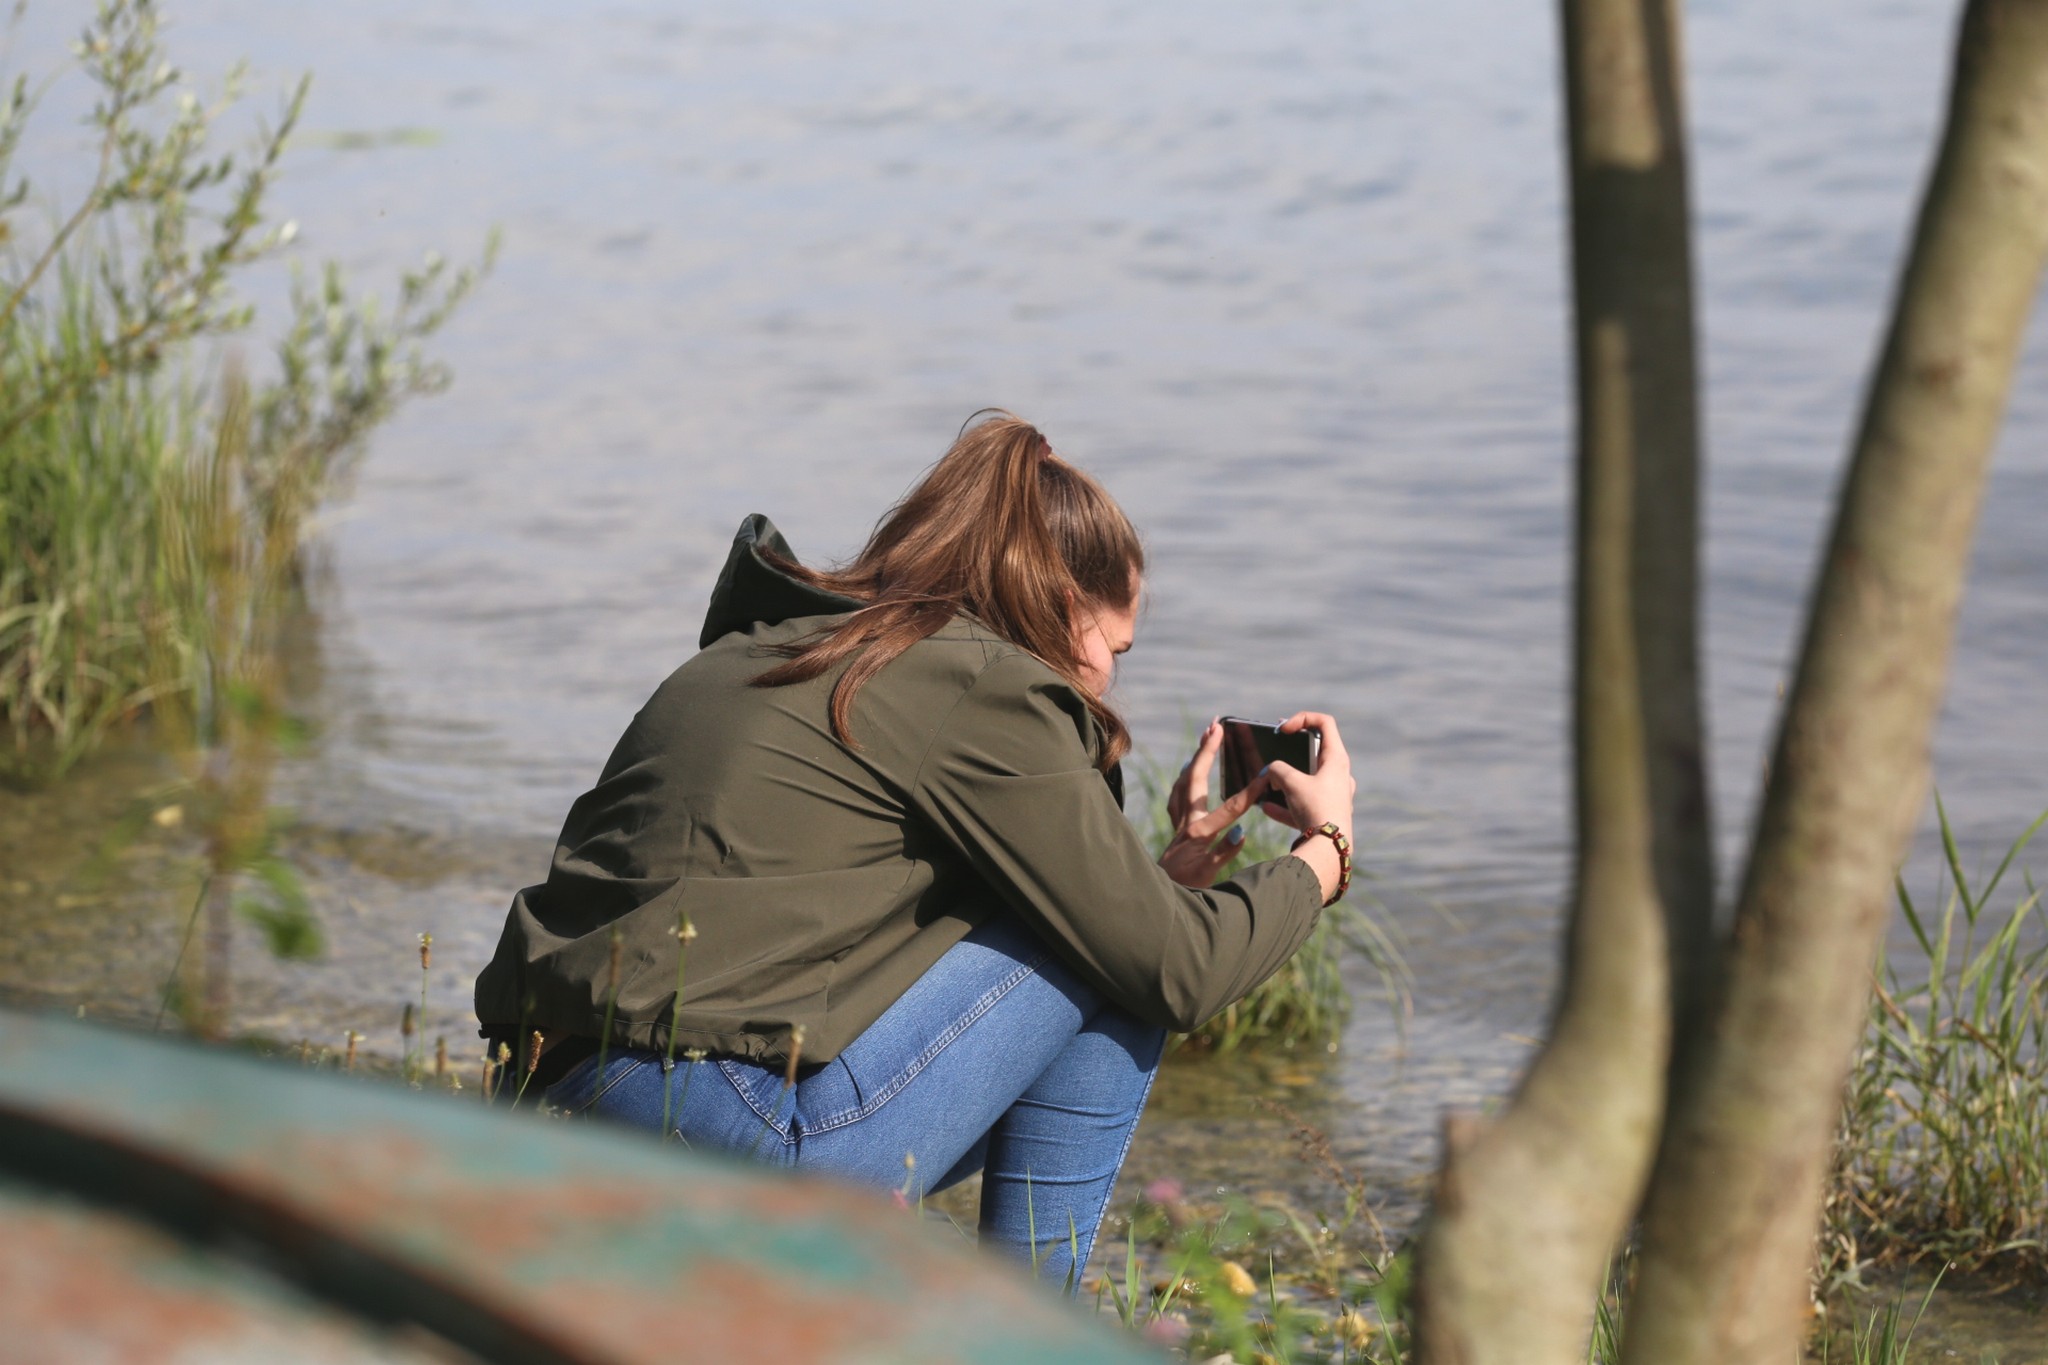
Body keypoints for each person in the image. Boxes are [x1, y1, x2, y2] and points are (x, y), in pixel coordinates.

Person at [473, 412, 1356, 1289]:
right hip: (728, 1143)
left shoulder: (779, 647)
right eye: (1114, 646)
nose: (1111, 676)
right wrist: (1326, 850)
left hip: (539, 1111)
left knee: (1109, 934)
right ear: (1055, 603)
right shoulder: (981, 683)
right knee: (1120, 973)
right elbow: (1178, 968)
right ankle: (1023, 1346)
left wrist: (1157, 881)